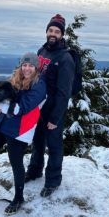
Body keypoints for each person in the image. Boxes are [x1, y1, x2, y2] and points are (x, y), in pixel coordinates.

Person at [0, 52, 46, 215]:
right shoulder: (15, 78)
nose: (27, 68)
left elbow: (21, 108)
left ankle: (18, 198)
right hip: (3, 123)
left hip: (20, 129)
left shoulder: (40, 85)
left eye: (31, 65)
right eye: (24, 65)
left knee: (15, 162)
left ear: (36, 67)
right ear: (20, 66)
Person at [26, 14, 75, 197]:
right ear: (46, 32)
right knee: (37, 141)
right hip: (39, 107)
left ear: (62, 34)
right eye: (50, 30)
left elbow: (64, 92)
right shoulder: (42, 51)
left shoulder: (65, 58)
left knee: (54, 146)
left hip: (54, 109)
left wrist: (55, 117)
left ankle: (53, 181)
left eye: (57, 31)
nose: (53, 34)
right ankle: (34, 170)